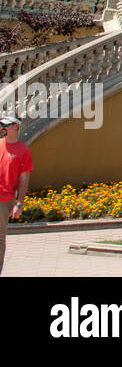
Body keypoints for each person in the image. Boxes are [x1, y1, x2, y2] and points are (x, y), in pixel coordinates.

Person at [0, 116, 33, 274]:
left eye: (6, 125)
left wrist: (19, 203)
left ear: (15, 126)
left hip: (4, 200)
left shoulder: (23, 151)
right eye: (2, 125)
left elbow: (24, 178)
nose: (3, 128)